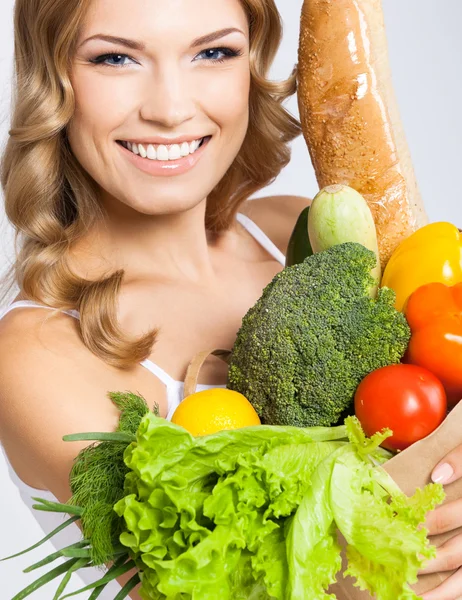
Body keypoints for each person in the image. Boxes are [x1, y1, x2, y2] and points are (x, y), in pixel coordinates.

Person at [0, 0, 307, 597]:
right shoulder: (36, 355)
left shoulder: (299, 232)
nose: (169, 109)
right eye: (115, 58)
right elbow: (219, 589)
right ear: (53, 79)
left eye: (213, 52)